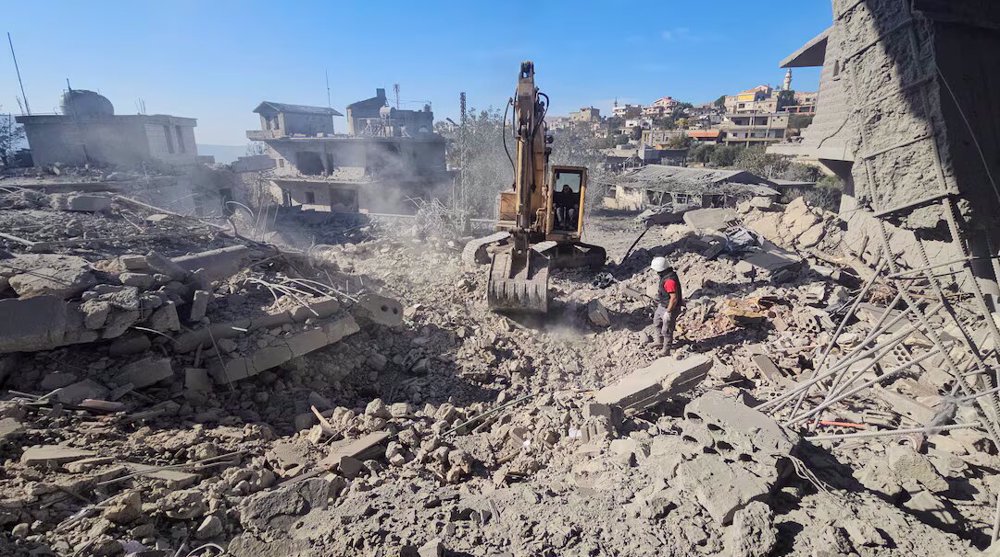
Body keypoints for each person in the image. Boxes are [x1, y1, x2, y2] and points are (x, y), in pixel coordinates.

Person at [650, 256, 683, 356]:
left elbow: (674, 298)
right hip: (663, 305)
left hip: (670, 307)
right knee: (657, 322)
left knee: (667, 330)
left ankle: (666, 350)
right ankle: (659, 341)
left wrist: (668, 312)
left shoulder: (669, 281)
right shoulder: (666, 275)